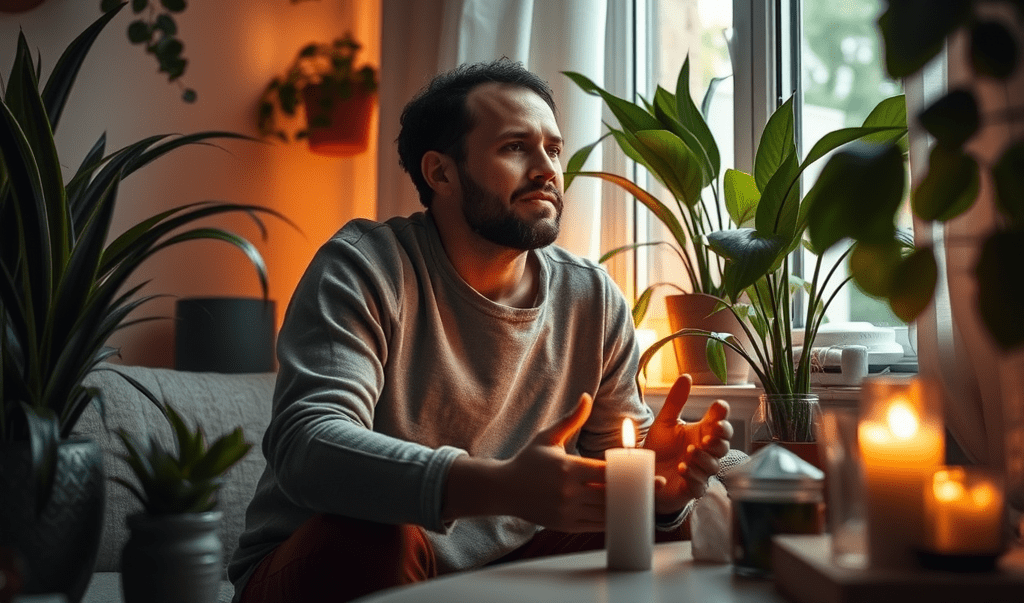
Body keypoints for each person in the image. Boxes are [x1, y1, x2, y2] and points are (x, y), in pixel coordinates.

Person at [230, 59, 735, 603]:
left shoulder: (592, 297)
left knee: (681, 526)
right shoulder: (364, 267)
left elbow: (618, 465)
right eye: (515, 147)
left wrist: (658, 488)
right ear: (441, 173)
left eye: (553, 149)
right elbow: (307, 444)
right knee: (379, 532)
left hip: (505, 562)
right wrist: (502, 486)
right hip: (325, 559)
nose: (546, 169)